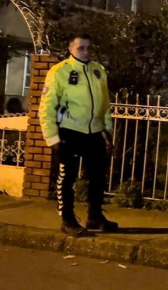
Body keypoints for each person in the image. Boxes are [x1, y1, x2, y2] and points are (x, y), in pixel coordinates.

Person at [39, 34, 117, 236]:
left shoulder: (98, 71)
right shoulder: (59, 71)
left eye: (89, 47)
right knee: (67, 177)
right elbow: (47, 106)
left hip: (94, 132)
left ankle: (95, 217)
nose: (86, 51)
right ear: (70, 49)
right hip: (70, 131)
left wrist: (107, 129)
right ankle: (67, 220)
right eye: (81, 48)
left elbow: (104, 104)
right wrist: (52, 137)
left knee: (97, 176)